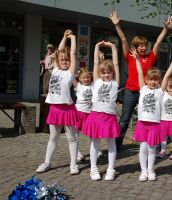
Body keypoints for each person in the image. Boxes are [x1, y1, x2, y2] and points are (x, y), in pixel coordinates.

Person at [109, 11, 172, 151]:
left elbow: (158, 42)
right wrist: (117, 25)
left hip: (146, 93)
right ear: (136, 46)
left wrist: (165, 29)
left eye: (145, 45)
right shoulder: (130, 57)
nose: (143, 47)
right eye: (140, 45)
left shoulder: (150, 57)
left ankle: (152, 143)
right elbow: (123, 40)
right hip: (130, 92)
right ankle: (116, 145)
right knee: (124, 120)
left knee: (150, 117)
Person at [36, 30, 79, 175]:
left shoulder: (69, 73)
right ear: (58, 61)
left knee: (71, 138)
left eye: (67, 60)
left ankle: (73, 164)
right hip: (54, 109)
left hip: (67, 109)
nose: (64, 61)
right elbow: (58, 51)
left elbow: (72, 54)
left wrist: (72, 38)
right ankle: (47, 162)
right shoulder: (54, 70)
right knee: (53, 138)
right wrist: (64, 37)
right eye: (62, 60)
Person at [82, 40, 120, 181]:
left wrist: (113, 47)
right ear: (99, 74)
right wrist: (97, 46)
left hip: (109, 117)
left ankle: (111, 169)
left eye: (108, 73)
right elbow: (96, 63)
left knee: (111, 143)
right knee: (95, 143)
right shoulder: (96, 81)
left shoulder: (114, 83)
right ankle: (93, 168)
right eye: (103, 73)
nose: (106, 75)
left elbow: (116, 64)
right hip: (96, 115)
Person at [130, 47, 164, 181]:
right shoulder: (143, 89)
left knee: (152, 148)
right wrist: (138, 59)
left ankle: (151, 170)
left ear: (159, 81)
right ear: (146, 80)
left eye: (156, 80)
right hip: (142, 123)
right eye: (151, 79)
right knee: (143, 147)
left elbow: (166, 77)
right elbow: (139, 73)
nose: (153, 82)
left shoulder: (160, 92)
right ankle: (143, 171)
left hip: (154, 124)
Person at [72, 68, 93, 162]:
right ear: (79, 79)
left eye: (88, 77)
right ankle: (77, 153)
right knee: (75, 134)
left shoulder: (94, 85)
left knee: (92, 133)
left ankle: (96, 150)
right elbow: (71, 77)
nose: (86, 79)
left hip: (90, 113)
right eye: (83, 77)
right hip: (79, 112)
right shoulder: (79, 86)